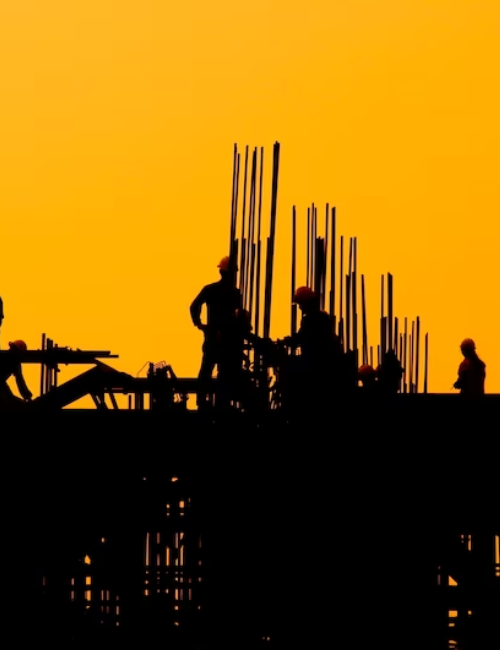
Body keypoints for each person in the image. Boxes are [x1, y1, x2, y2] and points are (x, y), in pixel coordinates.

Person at [190, 256, 242, 409]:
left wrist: (199, 324)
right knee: (224, 373)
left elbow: (194, 307)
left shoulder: (211, 290)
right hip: (229, 339)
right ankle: (221, 404)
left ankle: (202, 401)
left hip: (214, 336)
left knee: (207, 371)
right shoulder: (235, 293)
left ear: (221, 272)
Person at [283, 286, 342, 407]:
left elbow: (303, 337)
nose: (299, 307)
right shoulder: (321, 317)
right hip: (321, 365)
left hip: (316, 366)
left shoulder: (313, 319)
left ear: (307, 303)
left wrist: (290, 341)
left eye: (301, 304)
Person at [0, 339, 33, 410]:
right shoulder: (13, 361)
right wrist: (27, 397)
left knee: (10, 401)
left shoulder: (8, 357)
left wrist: (27, 396)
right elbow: (20, 381)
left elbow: (20, 381)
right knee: (10, 402)